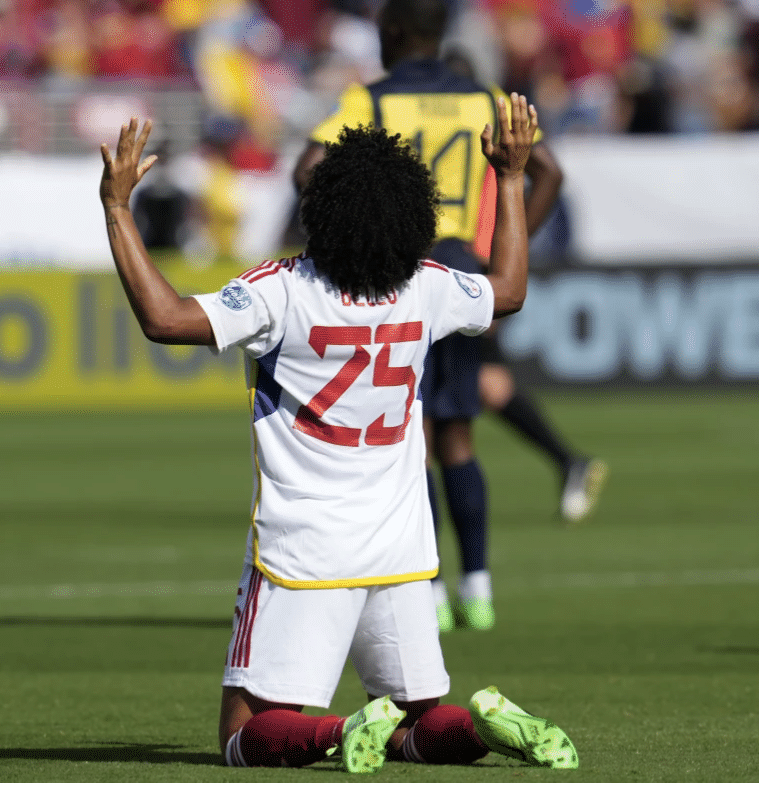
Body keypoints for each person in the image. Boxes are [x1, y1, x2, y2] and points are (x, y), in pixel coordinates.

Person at [99, 101, 577, 772]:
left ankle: (335, 733)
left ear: (319, 210)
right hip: (402, 546)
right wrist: (507, 177)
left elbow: (164, 318)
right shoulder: (425, 287)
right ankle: (482, 729)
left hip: (302, 550)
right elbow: (507, 289)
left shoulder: (281, 291)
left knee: (242, 738)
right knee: (417, 725)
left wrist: (117, 210)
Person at [293, 0, 603, 633]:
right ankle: (479, 587)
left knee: (416, 442)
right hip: (464, 269)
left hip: (403, 271)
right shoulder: (485, 98)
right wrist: (499, 257)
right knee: (459, 436)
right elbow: (547, 170)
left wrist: (359, 228)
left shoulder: (371, 98)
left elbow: (307, 169)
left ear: (397, 31)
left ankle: (428, 592)